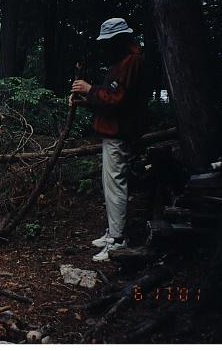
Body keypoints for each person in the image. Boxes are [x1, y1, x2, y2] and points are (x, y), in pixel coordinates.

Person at [69, 17, 149, 262]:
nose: (106, 47)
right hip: (112, 132)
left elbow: (116, 100)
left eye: (110, 42)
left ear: (120, 40)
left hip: (120, 133)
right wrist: (84, 100)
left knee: (116, 187)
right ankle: (112, 233)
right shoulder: (122, 62)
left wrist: (89, 89)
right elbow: (107, 100)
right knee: (111, 185)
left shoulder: (132, 62)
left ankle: (117, 240)